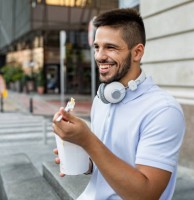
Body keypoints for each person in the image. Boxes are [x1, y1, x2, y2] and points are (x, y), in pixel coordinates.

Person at [53, 8, 185, 200]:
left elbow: (146, 194)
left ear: (137, 52)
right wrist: (83, 159)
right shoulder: (102, 98)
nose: (99, 56)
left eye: (111, 47)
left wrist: (87, 140)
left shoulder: (163, 110)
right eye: (97, 47)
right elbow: (108, 162)